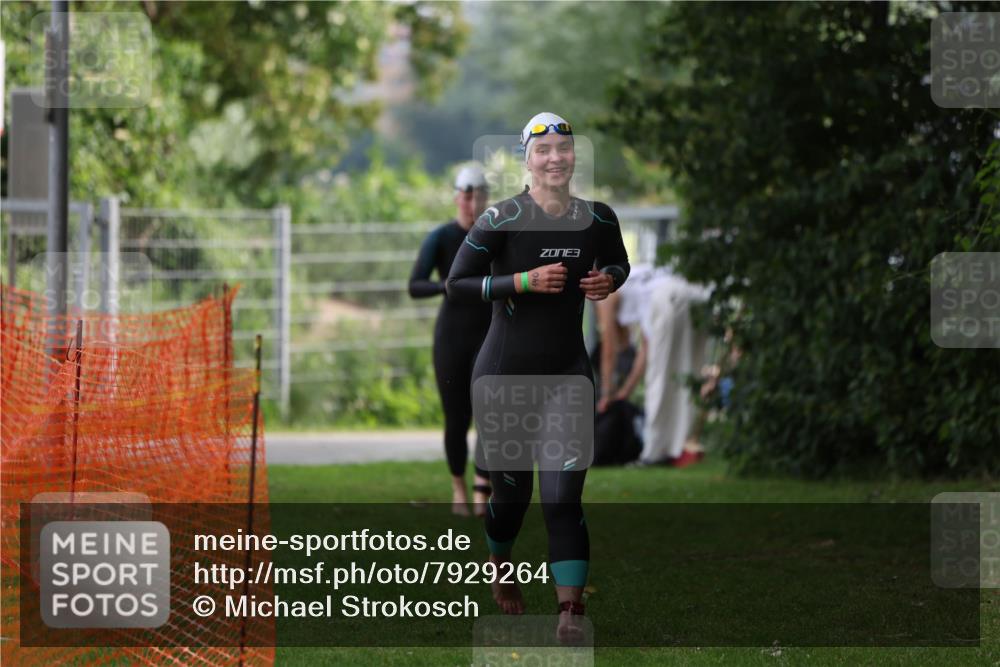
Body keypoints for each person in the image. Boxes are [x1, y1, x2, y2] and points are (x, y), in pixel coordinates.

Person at [446, 112, 629, 642]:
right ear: (527, 159)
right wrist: (521, 281)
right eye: (543, 150)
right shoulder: (502, 219)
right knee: (510, 500)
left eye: (564, 149)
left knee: (562, 499)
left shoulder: (598, 218)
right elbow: (458, 284)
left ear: (574, 157)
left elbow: (620, 264)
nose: (555, 158)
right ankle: (499, 562)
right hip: (504, 377)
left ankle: (570, 612)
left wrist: (606, 280)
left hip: (568, 375)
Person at [408, 164, 494, 517]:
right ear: (457, 197)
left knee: (490, 418)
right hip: (452, 337)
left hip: (490, 335)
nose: (472, 203)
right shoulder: (441, 238)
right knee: (456, 418)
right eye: (467, 195)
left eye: (479, 196)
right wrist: (450, 286)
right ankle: (458, 487)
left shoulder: (495, 237)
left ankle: (481, 493)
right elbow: (415, 285)